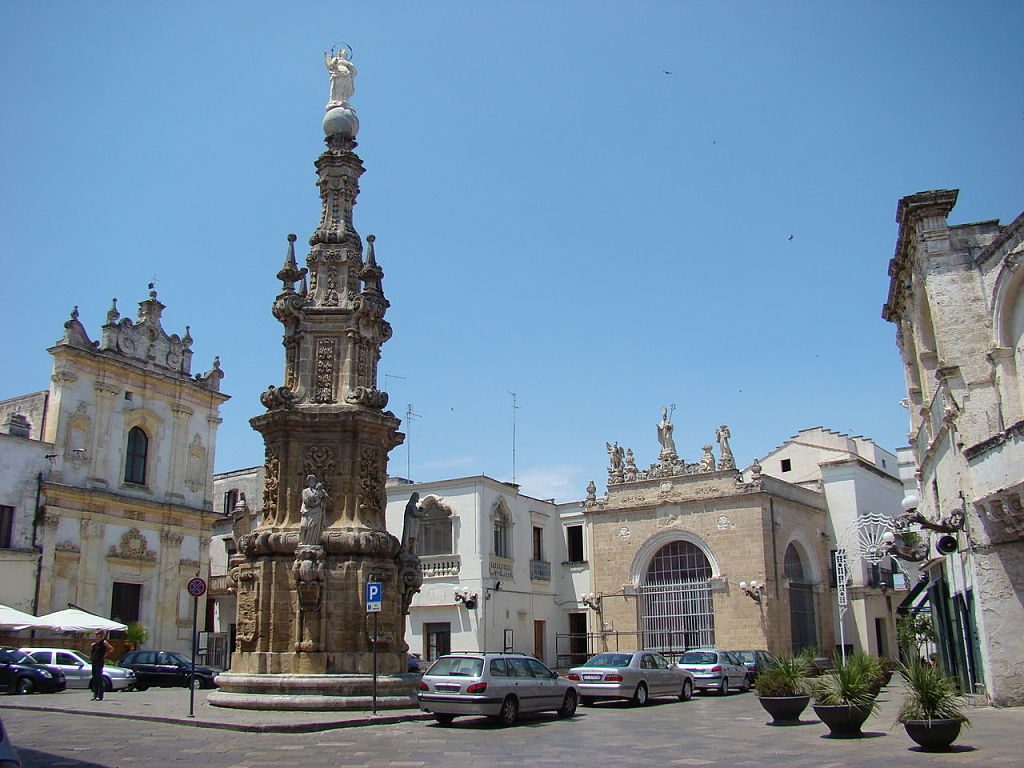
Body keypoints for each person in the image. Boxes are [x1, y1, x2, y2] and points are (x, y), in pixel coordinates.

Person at [90, 631, 113, 701]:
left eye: (98, 634)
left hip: (99, 661)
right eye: (96, 634)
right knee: (95, 678)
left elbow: (111, 649)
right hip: (94, 661)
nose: (96, 635)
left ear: (101, 635)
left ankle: (100, 695)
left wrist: (104, 656)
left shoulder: (104, 642)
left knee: (99, 678)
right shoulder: (95, 644)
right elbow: (93, 652)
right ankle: (95, 694)